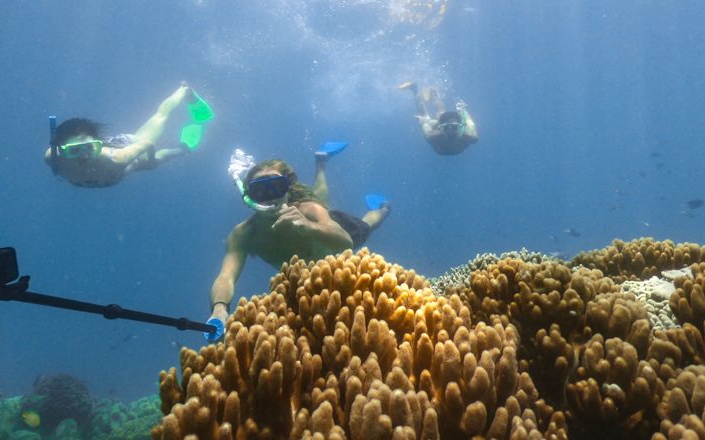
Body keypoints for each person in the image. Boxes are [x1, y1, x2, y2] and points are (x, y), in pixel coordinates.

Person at [205, 145, 390, 342]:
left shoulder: (309, 210)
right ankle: (321, 160)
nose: (271, 197)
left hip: (331, 231)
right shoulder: (243, 234)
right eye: (260, 190)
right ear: (249, 196)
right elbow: (225, 277)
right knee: (319, 196)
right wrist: (219, 308)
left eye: (277, 187)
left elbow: (346, 242)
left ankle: (384, 207)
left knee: (366, 225)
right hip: (305, 281)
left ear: (288, 189)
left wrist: (309, 226)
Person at [45, 82, 213, 188]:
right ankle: (184, 148)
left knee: (159, 118)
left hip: (123, 147)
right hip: (117, 174)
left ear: (98, 145)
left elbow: (147, 143)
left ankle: (184, 91)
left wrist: (151, 161)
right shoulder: (53, 158)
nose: (84, 156)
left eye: (89, 147)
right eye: (74, 151)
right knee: (155, 161)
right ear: (62, 150)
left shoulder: (118, 157)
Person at [398, 81, 478, 155]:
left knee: (437, 113)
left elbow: (469, 122)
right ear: (441, 128)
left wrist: (463, 110)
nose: (450, 132)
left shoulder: (470, 137)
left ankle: (430, 93)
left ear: (460, 127)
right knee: (427, 115)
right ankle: (416, 89)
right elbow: (469, 122)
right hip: (437, 126)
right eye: (446, 128)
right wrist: (422, 121)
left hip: (440, 128)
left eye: (454, 127)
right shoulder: (433, 137)